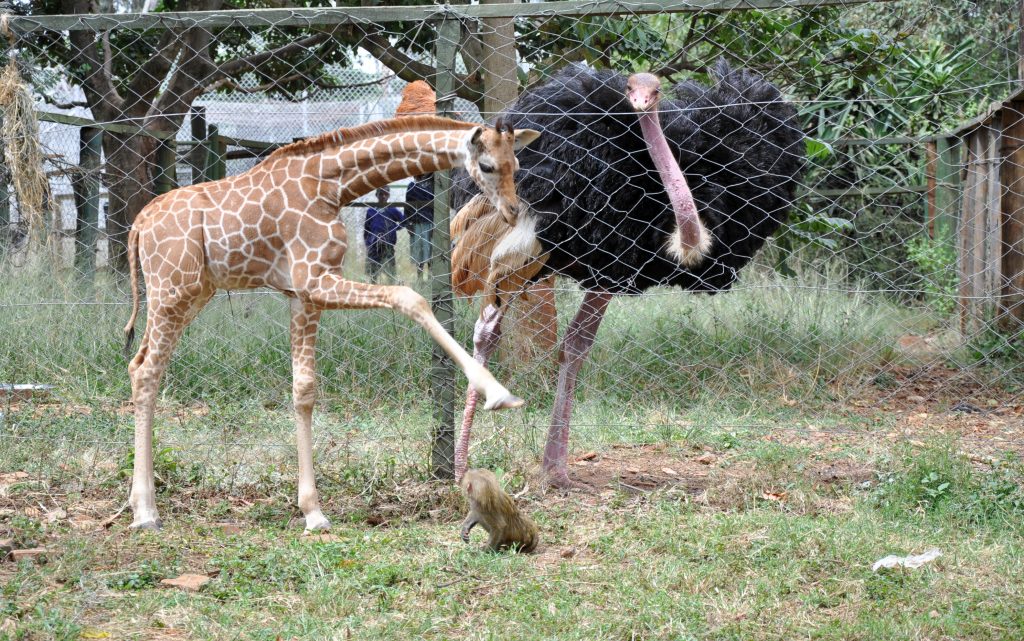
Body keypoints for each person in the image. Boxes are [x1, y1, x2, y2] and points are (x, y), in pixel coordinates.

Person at [363, 187, 404, 283]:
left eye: (386, 194)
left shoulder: (392, 210)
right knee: (373, 274)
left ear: (389, 195)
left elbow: (404, 221)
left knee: (390, 273)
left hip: (388, 244)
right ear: (376, 195)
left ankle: (391, 287)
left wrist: (394, 228)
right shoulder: (371, 211)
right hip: (374, 246)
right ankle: (373, 287)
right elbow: (367, 229)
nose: (383, 196)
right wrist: (368, 243)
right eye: (381, 194)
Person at [403, 175, 434, 280]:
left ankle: (430, 278)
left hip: (429, 223)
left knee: (430, 251)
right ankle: (419, 278)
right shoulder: (411, 186)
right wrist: (408, 224)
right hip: (416, 224)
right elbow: (407, 205)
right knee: (419, 253)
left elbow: (435, 206)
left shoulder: (431, 186)